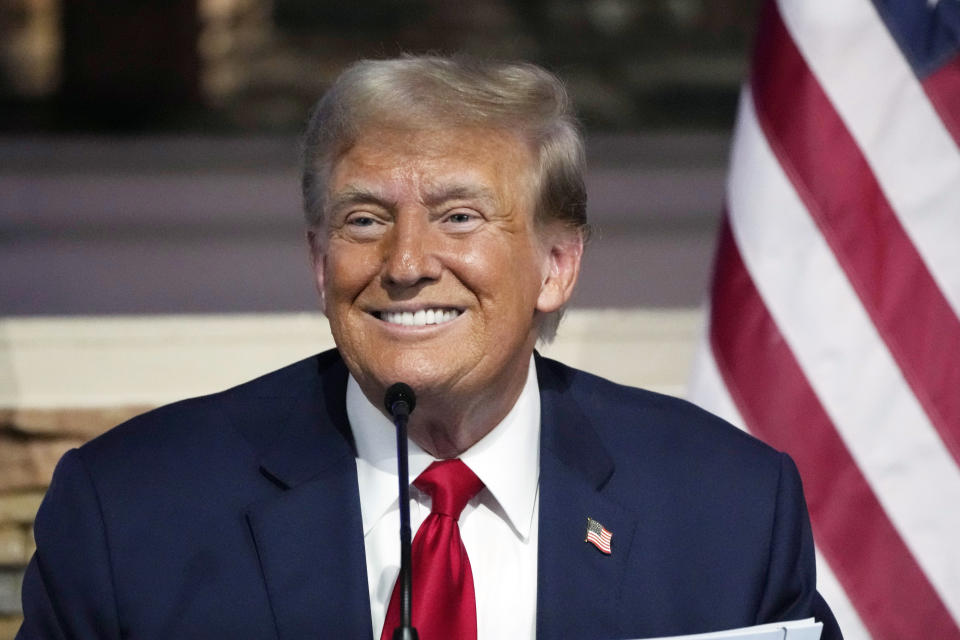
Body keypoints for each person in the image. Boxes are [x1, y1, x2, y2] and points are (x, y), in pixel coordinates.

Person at [17, 56, 841, 640]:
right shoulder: (130, 511)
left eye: (458, 217)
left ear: (556, 265)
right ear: (318, 261)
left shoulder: (726, 509)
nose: (406, 265)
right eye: (365, 220)